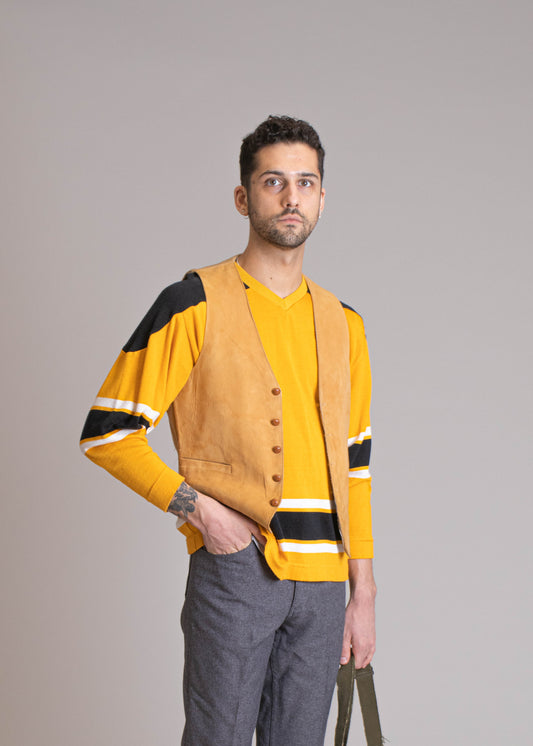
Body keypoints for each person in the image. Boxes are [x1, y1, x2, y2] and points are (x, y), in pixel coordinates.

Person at [80, 115, 376, 746]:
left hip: (326, 585)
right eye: (273, 181)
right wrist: (202, 514)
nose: (291, 196)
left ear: (323, 197)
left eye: (305, 182)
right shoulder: (192, 302)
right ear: (243, 198)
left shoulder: (344, 324)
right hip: (238, 573)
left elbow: (356, 465)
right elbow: (107, 433)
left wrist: (364, 591)